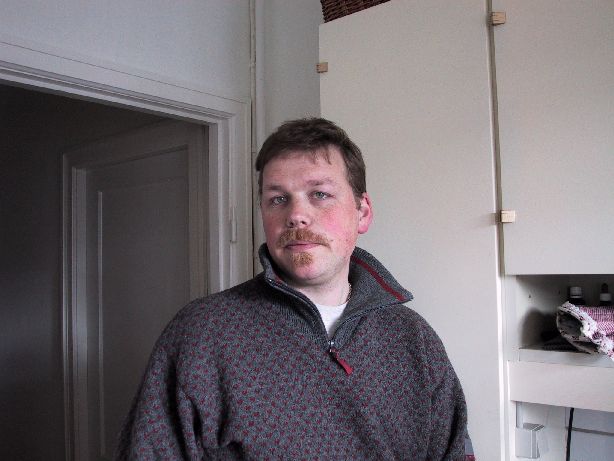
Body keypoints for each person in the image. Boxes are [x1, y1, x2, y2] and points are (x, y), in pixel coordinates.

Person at [116, 118, 472, 460]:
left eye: (320, 194)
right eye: (278, 199)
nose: (296, 215)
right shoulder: (201, 335)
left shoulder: (415, 340)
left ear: (362, 213)